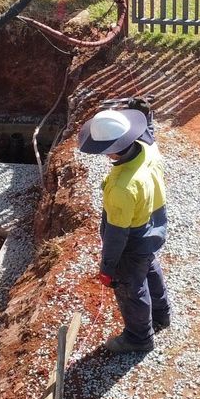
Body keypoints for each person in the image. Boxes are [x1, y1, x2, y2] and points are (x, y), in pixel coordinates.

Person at [76, 100, 169, 355]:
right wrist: (146, 116)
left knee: (131, 288)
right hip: (153, 227)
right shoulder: (149, 150)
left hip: (131, 241)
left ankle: (139, 338)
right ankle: (162, 315)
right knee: (149, 267)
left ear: (111, 152)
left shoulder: (121, 188)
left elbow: (116, 236)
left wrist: (108, 268)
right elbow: (149, 134)